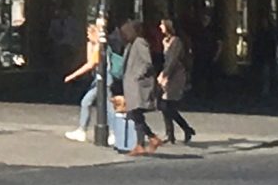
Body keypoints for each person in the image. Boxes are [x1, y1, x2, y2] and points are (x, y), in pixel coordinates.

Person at [117, 19, 164, 154]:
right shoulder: (131, 44)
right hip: (132, 86)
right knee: (135, 114)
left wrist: (137, 75)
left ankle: (149, 139)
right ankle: (143, 142)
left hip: (137, 86)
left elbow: (147, 62)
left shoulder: (139, 43)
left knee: (134, 113)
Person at [156, 16, 198, 146]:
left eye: (162, 25)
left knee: (167, 105)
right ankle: (172, 133)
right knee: (165, 105)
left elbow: (173, 61)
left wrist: (164, 75)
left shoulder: (177, 42)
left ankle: (183, 130)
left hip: (176, 76)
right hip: (169, 75)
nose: (160, 27)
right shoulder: (166, 41)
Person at [63, 19, 107, 141]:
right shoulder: (94, 46)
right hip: (99, 79)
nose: (87, 36)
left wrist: (72, 76)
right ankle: (83, 130)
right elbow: (89, 60)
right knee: (96, 103)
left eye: (89, 34)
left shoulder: (101, 47)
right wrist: (90, 45)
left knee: (94, 103)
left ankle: (84, 130)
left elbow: (90, 64)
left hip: (104, 79)